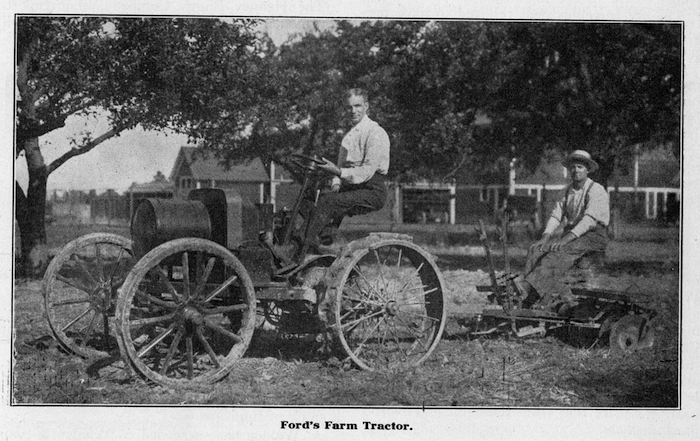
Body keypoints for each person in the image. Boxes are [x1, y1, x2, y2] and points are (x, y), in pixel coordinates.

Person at [513, 150, 610, 314]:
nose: (576, 171)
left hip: (594, 235)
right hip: (573, 234)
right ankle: (531, 301)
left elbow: (588, 221)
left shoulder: (596, 190)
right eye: (573, 167)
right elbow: (555, 216)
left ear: (587, 170)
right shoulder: (566, 191)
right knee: (536, 250)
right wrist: (545, 238)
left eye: (580, 167)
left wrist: (564, 241)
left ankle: (526, 287)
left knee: (559, 252)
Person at [297, 88, 390, 258]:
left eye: (358, 106)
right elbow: (339, 170)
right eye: (349, 107)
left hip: (372, 190)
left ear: (366, 106)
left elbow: (366, 172)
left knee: (328, 202)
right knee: (307, 200)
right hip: (351, 187)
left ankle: (299, 248)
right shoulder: (348, 137)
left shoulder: (375, 133)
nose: (353, 111)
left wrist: (338, 172)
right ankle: (318, 241)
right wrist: (335, 183)